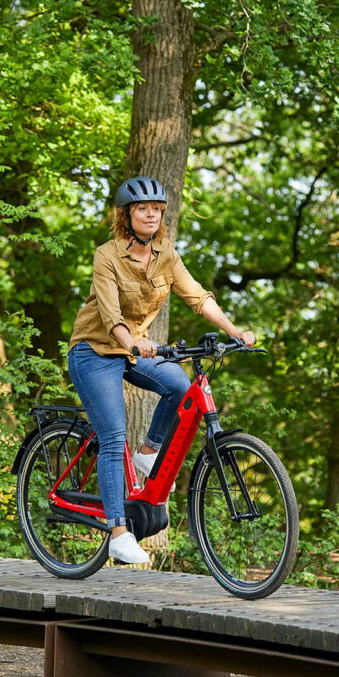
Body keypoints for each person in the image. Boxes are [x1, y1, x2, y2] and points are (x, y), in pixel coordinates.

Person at [66, 176, 256, 565]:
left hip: (134, 351)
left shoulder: (166, 255)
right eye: (142, 208)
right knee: (113, 431)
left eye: (156, 208)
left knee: (180, 385)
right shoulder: (107, 256)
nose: (150, 213)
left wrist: (235, 331)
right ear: (127, 215)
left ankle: (148, 451)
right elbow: (109, 313)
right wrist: (132, 341)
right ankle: (118, 532)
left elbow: (198, 297)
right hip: (94, 351)